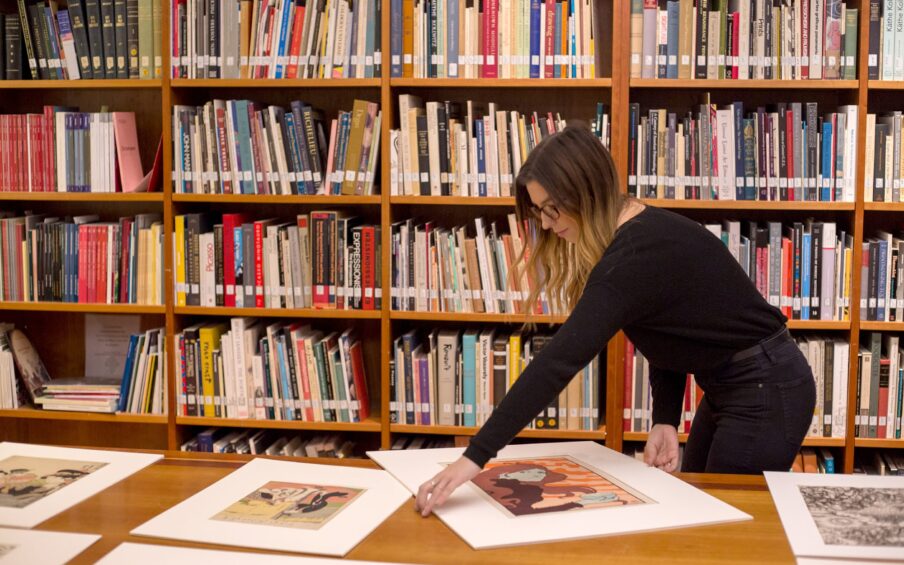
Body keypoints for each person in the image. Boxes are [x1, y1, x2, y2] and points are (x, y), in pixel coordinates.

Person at [415, 124, 816, 517]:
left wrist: (475, 456)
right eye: (539, 211)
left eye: (551, 208)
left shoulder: (632, 256)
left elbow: (559, 361)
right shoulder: (636, 236)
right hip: (736, 385)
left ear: (585, 191)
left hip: (766, 388)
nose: (546, 223)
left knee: (724, 527)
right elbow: (670, 331)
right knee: (702, 508)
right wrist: (665, 418)